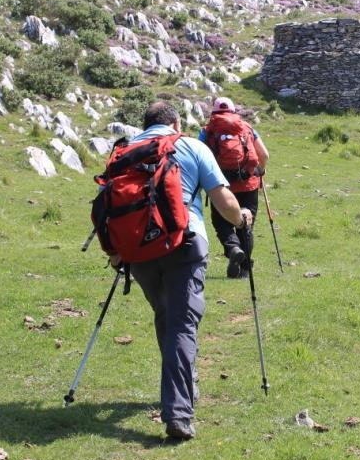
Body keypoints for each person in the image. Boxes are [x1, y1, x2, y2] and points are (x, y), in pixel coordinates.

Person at [107, 101, 253, 441]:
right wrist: (243, 218)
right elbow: (223, 199)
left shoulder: (125, 150)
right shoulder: (191, 145)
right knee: (182, 324)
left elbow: (109, 204)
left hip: (138, 250)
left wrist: (115, 253)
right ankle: (179, 414)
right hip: (184, 243)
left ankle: (184, 384)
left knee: (166, 314)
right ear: (175, 122)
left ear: (145, 125)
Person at [198, 97, 270, 278]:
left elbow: (200, 157)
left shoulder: (207, 131)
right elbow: (265, 155)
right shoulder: (246, 127)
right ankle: (245, 269)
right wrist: (260, 171)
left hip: (220, 186)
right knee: (246, 224)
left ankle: (233, 248)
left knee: (221, 223)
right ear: (234, 112)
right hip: (248, 184)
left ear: (213, 112)